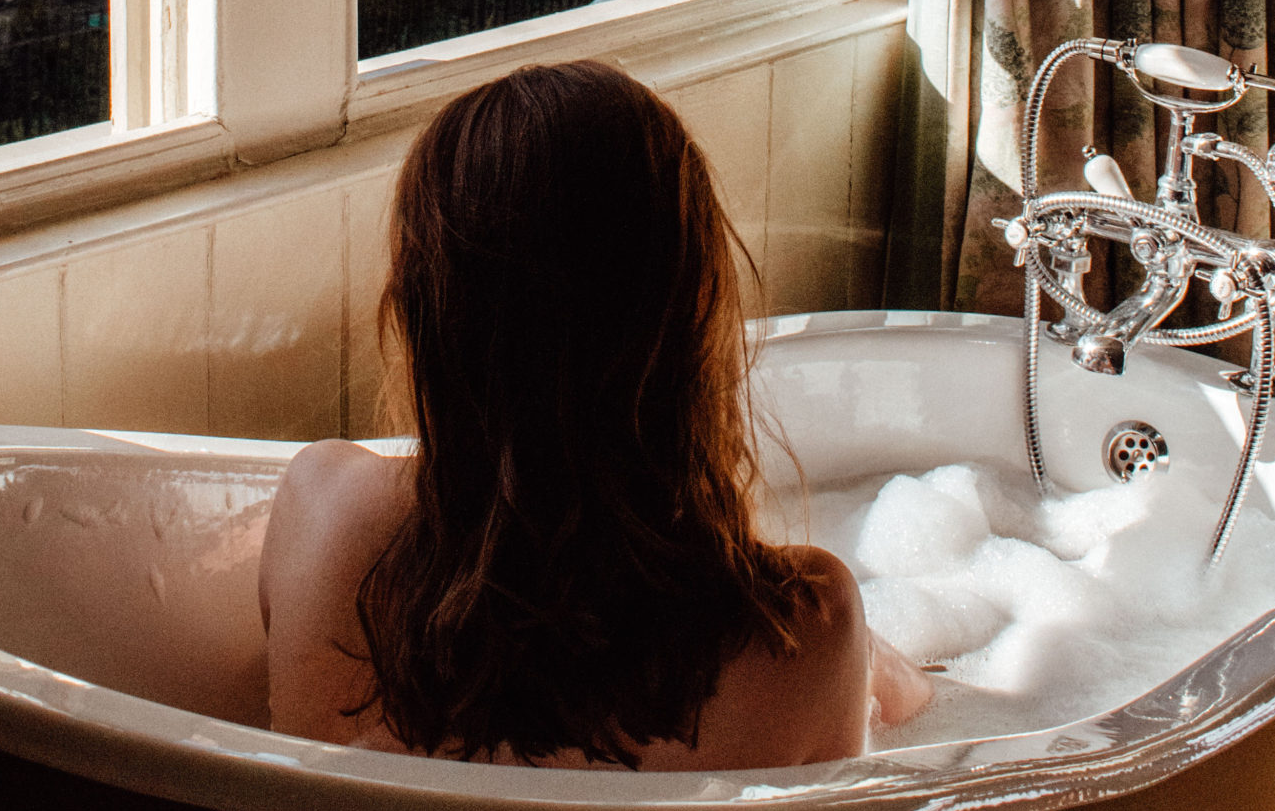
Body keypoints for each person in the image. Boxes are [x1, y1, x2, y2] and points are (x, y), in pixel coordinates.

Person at [258, 59, 932, 768]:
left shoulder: (319, 505)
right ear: (693, 311)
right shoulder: (805, 633)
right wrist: (875, 663)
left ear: (422, 313)